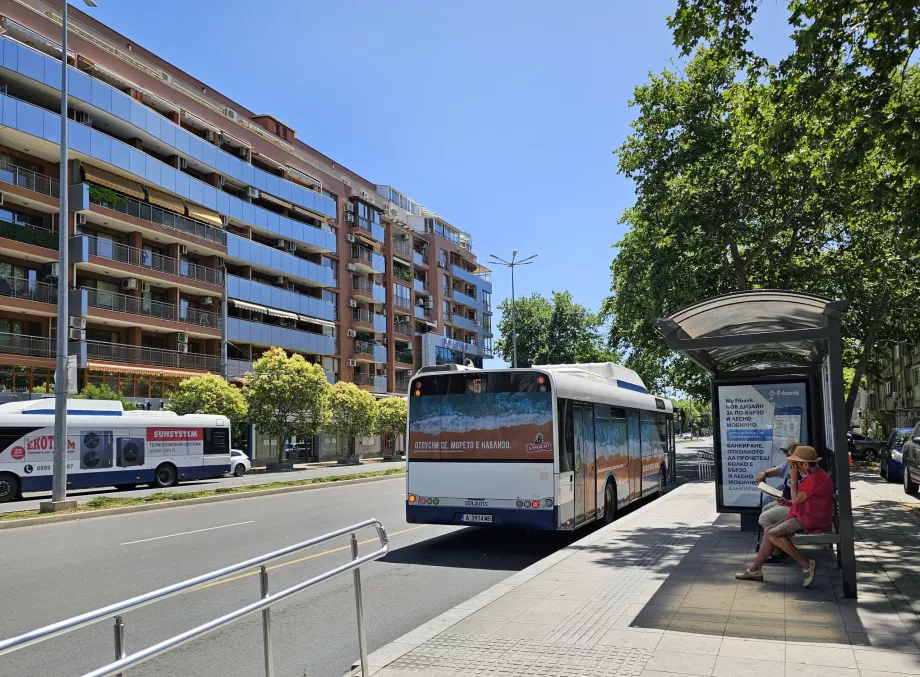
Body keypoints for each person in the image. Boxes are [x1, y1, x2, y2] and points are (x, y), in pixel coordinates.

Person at [736, 446, 835, 588]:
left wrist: (794, 479)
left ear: (805, 464)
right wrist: (787, 502)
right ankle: (755, 569)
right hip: (807, 514)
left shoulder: (814, 479)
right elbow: (800, 500)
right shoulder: (816, 475)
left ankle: (806, 564)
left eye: (796, 465)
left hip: (809, 519)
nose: (794, 468)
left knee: (772, 534)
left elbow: (796, 500)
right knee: (769, 530)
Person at [757, 439, 800, 563]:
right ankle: (776, 546)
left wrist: (787, 499)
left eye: (788, 452)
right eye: (784, 452)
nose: (786, 455)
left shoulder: (800, 466)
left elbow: (799, 496)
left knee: (765, 518)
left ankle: (776, 548)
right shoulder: (789, 463)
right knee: (765, 510)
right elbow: (777, 470)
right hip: (789, 500)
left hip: (796, 505)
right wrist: (764, 473)